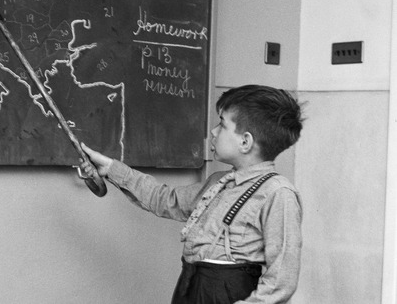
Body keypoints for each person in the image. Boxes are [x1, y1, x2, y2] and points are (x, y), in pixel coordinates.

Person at [80, 84, 304, 304]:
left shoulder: (278, 193)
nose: (213, 132)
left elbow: (281, 281)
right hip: (191, 286)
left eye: (222, 124)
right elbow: (166, 199)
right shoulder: (219, 182)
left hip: (229, 293)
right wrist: (110, 168)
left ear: (245, 142)